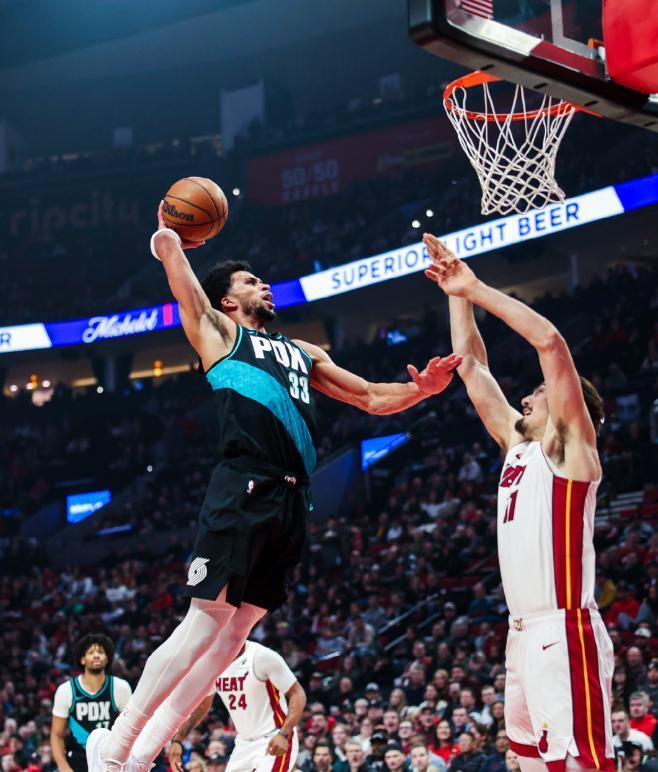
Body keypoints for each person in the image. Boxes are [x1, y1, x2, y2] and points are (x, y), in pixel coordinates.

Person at [87, 210, 461, 772]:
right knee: (204, 621)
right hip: (245, 483)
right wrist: (169, 240)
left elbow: (369, 397)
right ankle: (116, 750)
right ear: (228, 301)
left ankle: (141, 755)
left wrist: (422, 391)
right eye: (249, 280)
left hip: (292, 500)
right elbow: (186, 290)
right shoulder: (221, 334)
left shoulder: (304, 352)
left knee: (232, 636)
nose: (263, 284)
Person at [424, 233, 613, 771]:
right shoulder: (517, 446)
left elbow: (550, 343)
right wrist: (455, 293)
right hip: (521, 633)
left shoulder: (573, 452)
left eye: (539, 391)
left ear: (570, 405)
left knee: (578, 764)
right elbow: (471, 367)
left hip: (564, 629)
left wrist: (476, 288)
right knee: (528, 760)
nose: (525, 397)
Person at [164, 640, 306, 772]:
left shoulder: (261, 657)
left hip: (274, 736)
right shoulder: (214, 664)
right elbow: (202, 707)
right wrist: (178, 740)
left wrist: (284, 733)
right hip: (243, 742)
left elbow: (298, 694)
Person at [51, 634, 131, 772]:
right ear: (82, 660)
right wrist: (64, 767)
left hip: (109, 758)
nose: (96, 655)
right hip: (77, 758)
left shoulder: (120, 687)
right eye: (91, 652)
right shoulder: (66, 690)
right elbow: (56, 734)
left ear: (107, 659)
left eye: (100, 652)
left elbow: (131, 728)